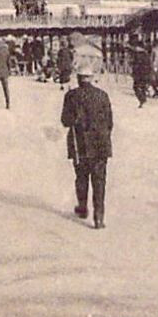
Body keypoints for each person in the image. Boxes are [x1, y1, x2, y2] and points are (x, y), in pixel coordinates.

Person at [62, 61, 113, 229]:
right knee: (99, 181)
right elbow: (109, 122)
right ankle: (99, 217)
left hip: (80, 143)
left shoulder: (71, 96)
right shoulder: (103, 95)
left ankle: (83, 207)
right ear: (91, 78)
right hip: (100, 144)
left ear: (78, 78)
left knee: (81, 177)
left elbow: (65, 121)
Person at [129, 40, 153, 108]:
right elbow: (150, 65)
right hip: (146, 74)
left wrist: (133, 72)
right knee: (142, 87)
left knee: (136, 87)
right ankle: (143, 100)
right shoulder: (146, 55)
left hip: (139, 74)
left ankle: (142, 100)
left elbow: (136, 66)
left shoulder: (138, 55)